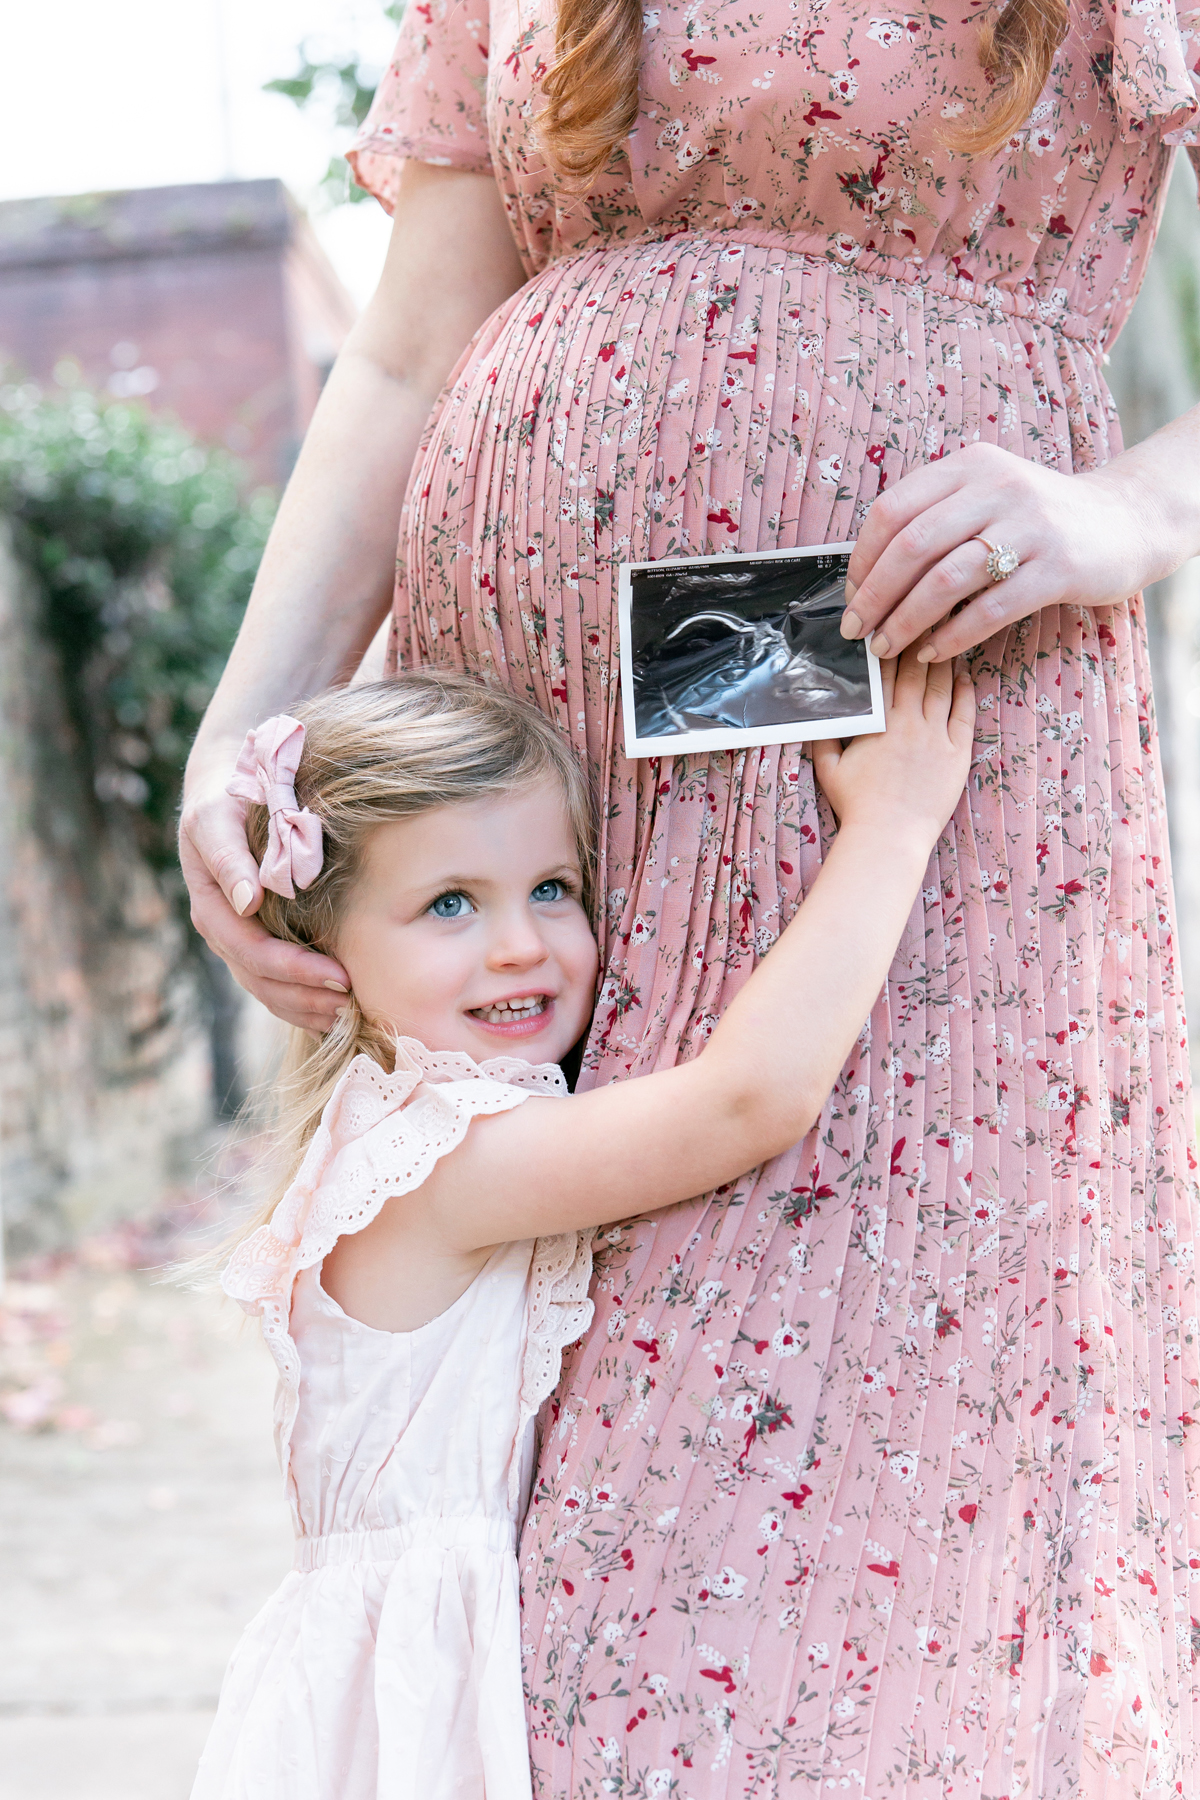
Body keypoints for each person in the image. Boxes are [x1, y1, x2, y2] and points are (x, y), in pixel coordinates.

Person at [179, 0, 1200, 1789]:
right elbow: (413, 345)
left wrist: (1129, 506)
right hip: (547, 797)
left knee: (846, 1511)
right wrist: (247, 731)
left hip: (914, 748)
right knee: (545, 1462)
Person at [189, 660, 972, 1800]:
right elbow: (747, 1102)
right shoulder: (439, 1159)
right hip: (420, 1696)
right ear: (324, 955)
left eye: (552, 888)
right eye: (448, 904)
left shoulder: (421, 1134)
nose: (520, 945)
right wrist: (894, 826)